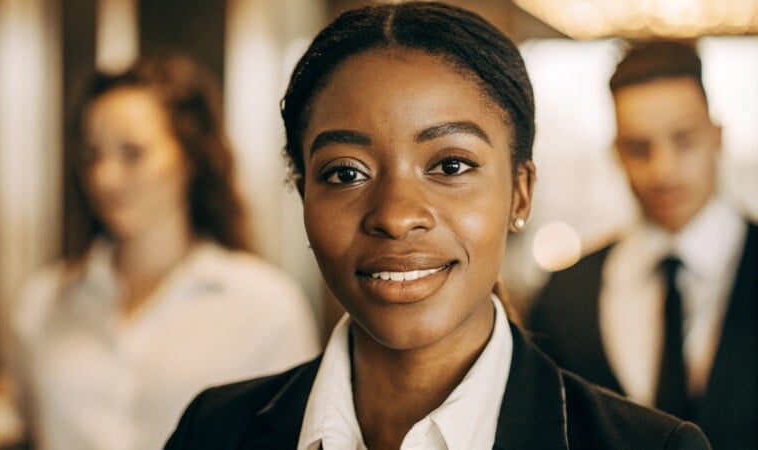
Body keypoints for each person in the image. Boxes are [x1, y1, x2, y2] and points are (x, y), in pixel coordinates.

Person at [165, 4, 711, 449]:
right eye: (345, 172)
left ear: (520, 192)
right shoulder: (212, 431)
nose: (396, 215)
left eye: (450, 166)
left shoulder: (649, 445)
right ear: (302, 191)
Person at [0, 55, 320, 450]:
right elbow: (16, 426)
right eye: (91, 154)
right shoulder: (44, 301)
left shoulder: (265, 305)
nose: (104, 177)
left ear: (190, 157)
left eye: (132, 153)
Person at [527, 41, 756, 450]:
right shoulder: (565, 295)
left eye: (683, 140)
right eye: (639, 148)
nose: (663, 170)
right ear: (616, 153)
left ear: (717, 136)